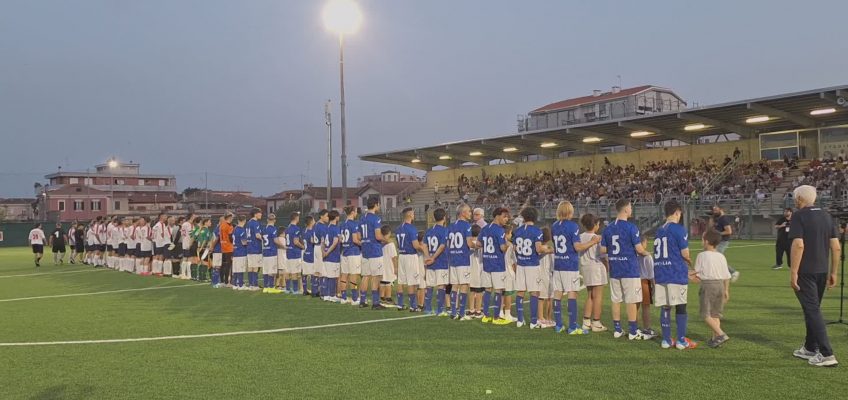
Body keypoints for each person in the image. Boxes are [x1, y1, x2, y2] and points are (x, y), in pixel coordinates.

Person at [789, 185, 840, 367]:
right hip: (822, 270)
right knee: (812, 309)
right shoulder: (827, 216)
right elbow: (836, 246)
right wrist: (833, 272)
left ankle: (827, 354)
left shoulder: (798, 216)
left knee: (812, 310)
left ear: (799, 199)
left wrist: (794, 272)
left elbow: (798, 245)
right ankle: (810, 347)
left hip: (806, 272)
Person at [601, 199, 651, 340]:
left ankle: (617, 329)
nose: (631, 209)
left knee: (616, 299)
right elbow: (639, 249)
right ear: (625, 209)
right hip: (629, 268)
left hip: (615, 268)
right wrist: (647, 254)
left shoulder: (608, 228)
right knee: (631, 300)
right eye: (630, 207)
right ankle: (633, 331)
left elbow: (603, 249)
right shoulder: (631, 228)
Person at [551, 201, 600, 334]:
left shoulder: (554, 225)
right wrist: (593, 241)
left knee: (558, 293)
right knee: (572, 293)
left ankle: (559, 325)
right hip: (569, 265)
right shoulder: (573, 226)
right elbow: (577, 247)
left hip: (558, 264)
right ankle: (572, 327)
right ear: (569, 212)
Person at [653, 200, 696, 349]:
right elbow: (685, 254)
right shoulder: (679, 229)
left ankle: (666, 340)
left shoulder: (659, 230)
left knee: (665, 306)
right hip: (675, 272)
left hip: (660, 271)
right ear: (677, 212)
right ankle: (681, 340)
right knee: (681, 305)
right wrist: (689, 263)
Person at [512, 207, 552, 329]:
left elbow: (514, 248)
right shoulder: (536, 231)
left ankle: (520, 319)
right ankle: (534, 321)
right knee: (534, 292)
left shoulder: (517, 231)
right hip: (532, 265)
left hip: (521, 264)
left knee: (520, 292)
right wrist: (548, 250)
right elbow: (539, 249)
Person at [693, 230, 731, 348]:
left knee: (705, 314)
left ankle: (721, 334)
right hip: (720, 285)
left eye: (702, 239)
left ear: (707, 241)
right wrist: (726, 290)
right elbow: (727, 275)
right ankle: (715, 340)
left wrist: (688, 275)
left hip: (708, 286)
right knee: (715, 314)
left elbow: (697, 273)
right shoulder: (721, 256)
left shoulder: (701, 255)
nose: (702, 241)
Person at [478, 207, 512, 325]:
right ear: (497, 216)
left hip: (487, 263)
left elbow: (478, 243)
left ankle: (486, 316)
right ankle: (496, 317)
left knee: (487, 290)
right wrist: (508, 243)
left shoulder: (485, 228)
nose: (506, 219)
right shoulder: (500, 230)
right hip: (497, 264)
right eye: (504, 216)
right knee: (498, 290)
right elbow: (503, 248)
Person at [579, 214, 608, 332]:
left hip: (585, 267)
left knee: (590, 294)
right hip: (596, 267)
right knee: (598, 296)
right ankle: (596, 322)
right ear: (595, 225)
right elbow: (603, 255)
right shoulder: (597, 238)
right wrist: (607, 266)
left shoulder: (580, 237)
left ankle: (586, 321)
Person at [448, 204, 475, 321]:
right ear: (463, 213)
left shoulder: (450, 226)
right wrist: (477, 245)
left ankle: (454, 312)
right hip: (463, 259)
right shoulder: (466, 226)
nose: (470, 213)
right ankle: (462, 313)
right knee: (464, 285)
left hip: (453, 259)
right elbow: (469, 243)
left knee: (455, 285)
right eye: (469, 211)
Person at [360, 197, 387, 310]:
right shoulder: (375, 218)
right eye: (378, 204)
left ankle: (362, 301)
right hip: (374, 250)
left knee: (366, 276)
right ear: (375, 205)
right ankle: (375, 303)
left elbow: (358, 236)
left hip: (365, 249)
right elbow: (377, 236)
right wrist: (386, 240)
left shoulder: (362, 218)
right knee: (376, 277)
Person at [423, 208, 450, 316]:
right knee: (441, 286)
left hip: (430, 263)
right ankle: (440, 310)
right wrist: (433, 257)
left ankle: (428, 309)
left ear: (434, 218)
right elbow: (442, 246)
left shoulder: (428, 230)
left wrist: (427, 257)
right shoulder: (444, 230)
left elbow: (424, 245)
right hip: (441, 261)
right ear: (444, 218)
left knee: (429, 285)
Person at [395, 208, 423, 311]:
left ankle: (400, 304)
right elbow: (415, 245)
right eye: (413, 213)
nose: (414, 215)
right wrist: (424, 249)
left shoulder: (398, 228)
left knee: (401, 281)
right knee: (412, 282)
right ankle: (413, 306)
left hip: (401, 255)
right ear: (410, 215)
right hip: (410, 256)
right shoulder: (412, 228)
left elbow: (398, 244)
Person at [339, 206, 362, 305]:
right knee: (353, 275)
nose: (357, 213)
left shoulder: (342, 224)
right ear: (352, 212)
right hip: (353, 252)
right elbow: (355, 240)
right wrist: (364, 244)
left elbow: (340, 239)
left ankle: (343, 298)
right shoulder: (354, 224)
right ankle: (354, 298)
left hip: (344, 252)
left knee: (344, 275)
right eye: (356, 211)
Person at [712, 205, 740, 282]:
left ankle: (733, 272)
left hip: (723, 242)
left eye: (716, 210)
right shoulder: (719, 219)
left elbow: (729, 231)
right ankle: (722, 274)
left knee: (717, 258)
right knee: (716, 258)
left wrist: (718, 233)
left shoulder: (724, 219)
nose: (714, 212)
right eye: (713, 210)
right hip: (718, 241)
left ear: (721, 209)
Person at [637, 236, 655, 339]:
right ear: (643, 243)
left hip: (634, 281)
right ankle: (647, 328)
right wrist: (654, 285)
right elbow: (651, 273)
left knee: (636, 306)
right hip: (644, 282)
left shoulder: (634, 254)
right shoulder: (647, 256)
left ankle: (634, 327)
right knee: (646, 307)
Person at [323, 211, 342, 302]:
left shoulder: (326, 228)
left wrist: (324, 252)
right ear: (336, 217)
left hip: (326, 255)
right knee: (333, 277)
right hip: (333, 256)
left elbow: (322, 242)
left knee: (327, 276)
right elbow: (335, 242)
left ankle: (326, 295)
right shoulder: (335, 228)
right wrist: (328, 252)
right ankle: (332, 295)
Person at [261, 214, 282, 293]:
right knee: (271, 270)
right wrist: (283, 246)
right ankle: (271, 287)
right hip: (272, 252)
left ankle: (265, 287)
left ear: (267, 220)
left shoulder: (264, 229)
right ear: (275, 220)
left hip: (265, 251)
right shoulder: (273, 229)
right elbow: (275, 240)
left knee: (266, 270)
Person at [284, 212, 304, 294]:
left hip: (288, 252)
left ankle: (288, 289)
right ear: (296, 218)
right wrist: (302, 247)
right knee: (295, 272)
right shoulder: (296, 228)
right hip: (295, 252)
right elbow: (296, 242)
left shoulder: (287, 228)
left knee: (288, 271)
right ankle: (295, 290)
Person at [245, 209, 264, 291]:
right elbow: (257, 235)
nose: (261, 214)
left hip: (249, 247)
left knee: (250, 267)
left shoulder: (248, 223)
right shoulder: (255, 223)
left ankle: (250, 284)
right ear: (255, 214)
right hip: (255, 247)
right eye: (260, 213)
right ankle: (254, 284)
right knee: (255, 267)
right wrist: (263, 239)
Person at [468, 224, 484, 318]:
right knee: (479, 291)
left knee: (472, 290)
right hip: (479, 269)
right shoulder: (479, 243)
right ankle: (478, 311)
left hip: (469, 269)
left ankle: (471, 310)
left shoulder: (468, 242)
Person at [379, 224, 397, 306]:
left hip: (381, 265)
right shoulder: (391, 244)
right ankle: (388, 298)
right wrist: (396, 267)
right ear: (389, 233)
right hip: (389, 265)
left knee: (382, 282)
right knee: (389, 281)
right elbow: (394, 257)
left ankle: (381, 297)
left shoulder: (379, 243)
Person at [232, 215, 248, 290]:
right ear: (244, 221)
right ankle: (241, 285)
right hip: (241, 251)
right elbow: (244, 242)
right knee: (240, 269)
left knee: (235, 269)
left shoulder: (234, 229)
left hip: (235, 251)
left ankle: (235, 284)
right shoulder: (241, 230)